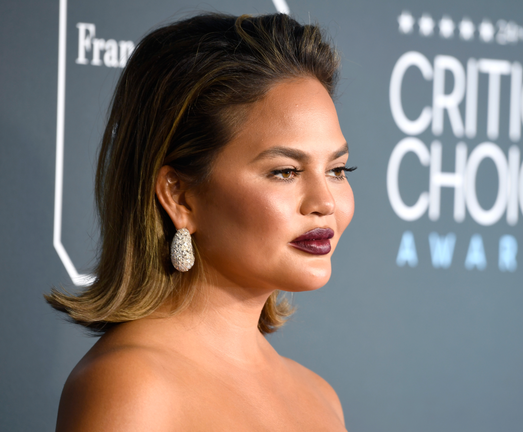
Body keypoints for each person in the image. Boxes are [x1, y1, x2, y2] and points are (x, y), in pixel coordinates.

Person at [45, 13, 354, 431]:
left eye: (337, 170)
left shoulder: (321, 397)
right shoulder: (132, 387)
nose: (325, 202)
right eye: (285, 171)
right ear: (180, 195)